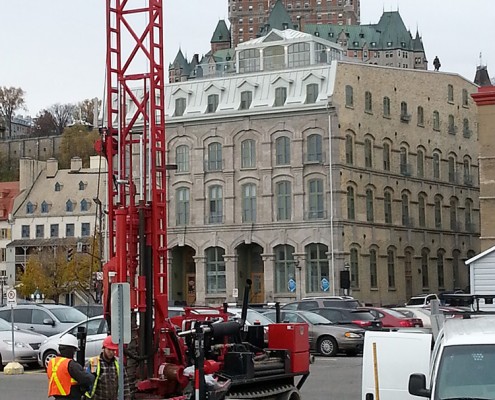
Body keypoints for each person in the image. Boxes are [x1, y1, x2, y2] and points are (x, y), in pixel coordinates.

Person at [47, 334, 95, 400]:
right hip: (71, 397)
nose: (74, 353)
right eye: (74, 350)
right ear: (70, 349)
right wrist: (92, 375)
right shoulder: (70, 364)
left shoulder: (52, 362)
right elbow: (87, 379)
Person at [85, 336, 132, 400]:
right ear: (103, 348)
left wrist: (127, 397)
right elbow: (88, 383)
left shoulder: (118, 363)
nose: (111, 352)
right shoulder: (94, 363)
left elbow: (125, 382)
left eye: (113, 350)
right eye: (109, 349)